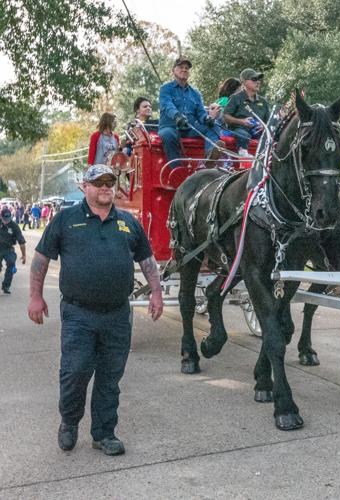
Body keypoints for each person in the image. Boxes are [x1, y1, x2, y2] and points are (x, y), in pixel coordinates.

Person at [28, 165, 164, 455]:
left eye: (110, 182)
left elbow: (147, 260)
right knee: (75, 372)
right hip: (79, 314)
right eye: (98, 182)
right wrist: (35, 297)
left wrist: (156, 292)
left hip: (117, 313)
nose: (105, 187)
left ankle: (104, 433)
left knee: (110, 377)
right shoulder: (66, 219)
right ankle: (69, 421)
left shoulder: (128, 222)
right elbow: (41, 258)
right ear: (84, 187)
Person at [158, 56, 223, 167]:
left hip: (190, 127)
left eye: (187, 68)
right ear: (173, 70)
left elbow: (201, 112)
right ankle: (176, 169)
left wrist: (207, 119)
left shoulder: (195, 93)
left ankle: (210, 157)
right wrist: (177, 116)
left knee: (214, 126)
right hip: (171, 126)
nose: (184, 70)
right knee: (167, 135)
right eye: (181, 67)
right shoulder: (165, 88)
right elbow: (167, 105)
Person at [224, 68, 269, 157]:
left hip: (258, 132)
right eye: (254, 79)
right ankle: (243, 153)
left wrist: (263, 126)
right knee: (242, 134)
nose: (258, 82)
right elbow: (225, 116)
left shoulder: (263, 101)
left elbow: (269, 122)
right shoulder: (235, 98)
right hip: (240, 130)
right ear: (244, 82)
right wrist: (242, 122)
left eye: (258, 79)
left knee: (270, 135)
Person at [0, 206, 26, 294]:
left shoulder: (14, 226)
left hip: (8, 249)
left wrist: (24, 255)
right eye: (4, 218)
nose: (6, 220)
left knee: (11, 264)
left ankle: (6, 286)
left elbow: (21, 242)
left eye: (8, 218)